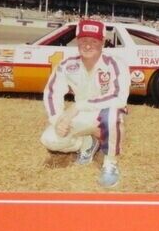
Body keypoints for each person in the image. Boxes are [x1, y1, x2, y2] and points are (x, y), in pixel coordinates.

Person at [40, 19, 130, 188]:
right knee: (49, 139)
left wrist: (77, 106)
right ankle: (87, 143)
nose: (88, 45)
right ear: (77, 41)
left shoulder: (116, 64)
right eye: (83, 40)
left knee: (112, 115)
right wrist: (58, 119)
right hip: (80, 117)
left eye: (94, 41)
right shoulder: (67, 65)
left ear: (103, 42)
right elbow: (52, 93)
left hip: (103, 116)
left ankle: (110, 163)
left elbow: (119, 98)